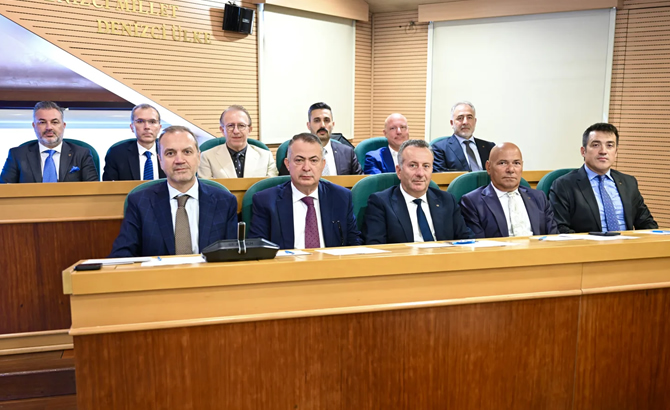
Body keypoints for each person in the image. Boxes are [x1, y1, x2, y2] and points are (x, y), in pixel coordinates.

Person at [109, 125, 238, 257]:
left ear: (199, 157)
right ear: (160, 160)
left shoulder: (225, 202)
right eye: (170, 153)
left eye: (187, 152)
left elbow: (233, 255)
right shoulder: (140, 202)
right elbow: (121, 255)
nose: (179, 160)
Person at [250, 132, 362, 249]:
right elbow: (257, 249)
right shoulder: (266, 201)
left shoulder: (341, 197)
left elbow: (354, 243)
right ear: (287, 164)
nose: (306, 168)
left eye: (313, 160)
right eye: (299, 160)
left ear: (323, 165)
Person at [549, 123, 657, 233]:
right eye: (596, 145)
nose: (603, 151)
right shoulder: (564, 185)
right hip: (588, 243)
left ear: (616, 152)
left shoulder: (628, 182)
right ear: (583, 151)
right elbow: (560, 228)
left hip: (626, 242)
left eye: (609, 145)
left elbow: (646, 223)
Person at [364, 139, 473, 244]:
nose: (420, 173)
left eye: (426, 166)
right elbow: (375, 247)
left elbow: (466, 240)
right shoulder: (381, 203)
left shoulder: (447, 200)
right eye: (413, 165)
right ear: (399, 171)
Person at [460, 143, 558, 238]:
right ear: (488, 167)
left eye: (516, 163)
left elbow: (554, 238)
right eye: (502, 163)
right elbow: (478, 244)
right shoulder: (472, 202)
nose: (511, 169)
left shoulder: (538, 197)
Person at [1, 101, 98, 183]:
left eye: (54, 122)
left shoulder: (82, 154)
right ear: (34, 126)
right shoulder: (17, 155)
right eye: (42, 122)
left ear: (63, 126)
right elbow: (4, 191)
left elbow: (93, 191)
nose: (49, 127)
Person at [279, 102, 362, 176]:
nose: (322, 125)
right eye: (317, 120)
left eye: (326, 120)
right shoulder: (295, 152)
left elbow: (359, 183)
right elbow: (284, 183)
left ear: (333, 124)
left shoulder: (347, 153)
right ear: (308, 125)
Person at [199, 105, 278, 178]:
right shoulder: (207, 157)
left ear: (249, 130)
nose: (236, 131)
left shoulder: (266, 157)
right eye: (230, 126)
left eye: (241, 125)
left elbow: (272, 186)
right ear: (222, 130)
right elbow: (206, 187)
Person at [102, 103, 166, 181]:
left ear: (159, 127)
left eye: (152, 122)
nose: (147, 127)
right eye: (140, 121)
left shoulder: (170, 152)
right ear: (132, 127)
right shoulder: (116, 154)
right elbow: (108, 186)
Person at [432, 101, 495, 173]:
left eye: (469, 117)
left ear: (475, 122)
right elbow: (441, 177)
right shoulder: (439, 149)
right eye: (460, 118)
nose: (465, 122)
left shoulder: (489, 147)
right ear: (452, 123)